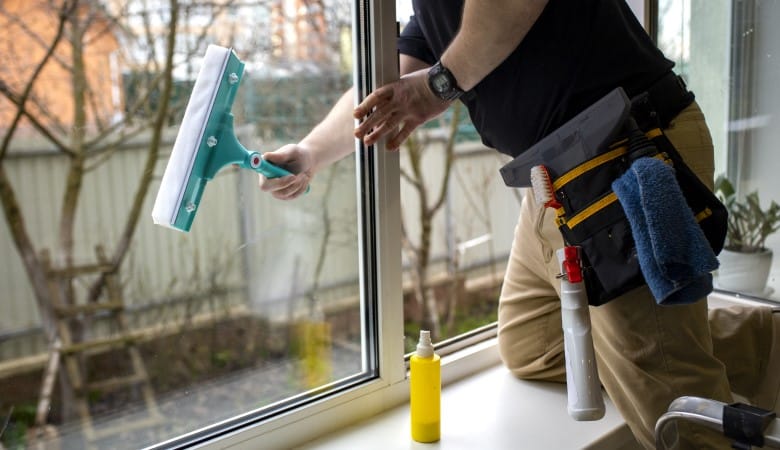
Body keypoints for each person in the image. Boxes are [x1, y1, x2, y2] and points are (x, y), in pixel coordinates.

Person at [258, 1, 780, 448]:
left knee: (676, 407)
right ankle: (764, 343)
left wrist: (439, 84)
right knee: (534, 343)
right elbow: (394, 78)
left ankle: (679, 360)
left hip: (627, 160)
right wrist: (310, 153)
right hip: (557, 179)